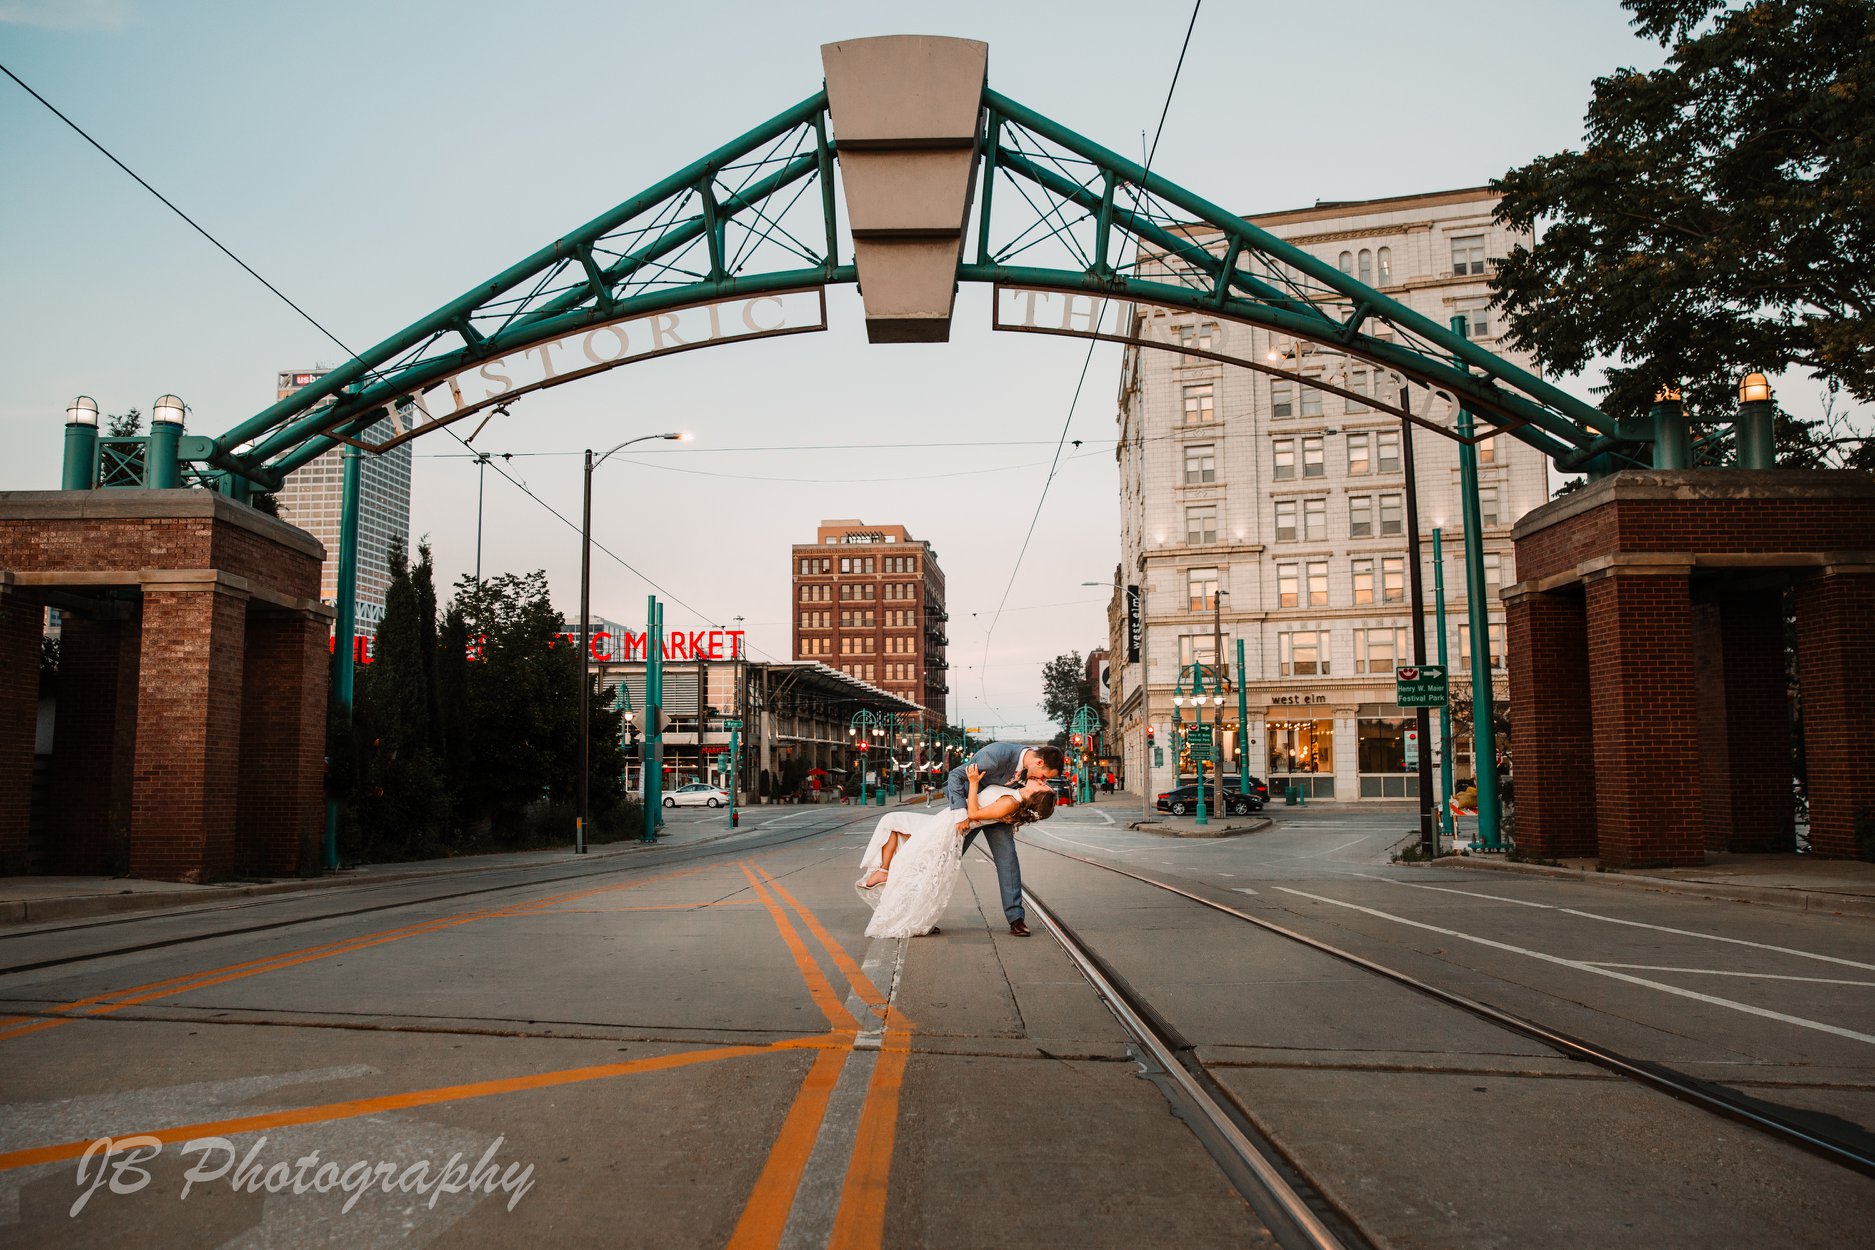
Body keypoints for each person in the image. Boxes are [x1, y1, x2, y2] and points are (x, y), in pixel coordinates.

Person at [856, 765, 1056, 938]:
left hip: (948, 826)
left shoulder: (1011, 802)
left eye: (1041, 785)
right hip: (944, 821)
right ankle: (886, 874)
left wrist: (973, 781)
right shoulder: (1014, 796)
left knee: (896, 830)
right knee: (902, 840)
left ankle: (886, 874)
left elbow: (973, 813)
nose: (1040, 780)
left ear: (1034, 795)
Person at [943, 740, 1064, 937]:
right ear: (1039, 763)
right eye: (1043, 777)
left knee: (1008, 861)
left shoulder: (1030, 769)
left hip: (997, 815)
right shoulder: (997, 755)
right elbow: (955, 776)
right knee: (947, 859)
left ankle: (1016, 919)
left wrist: (1013, 817)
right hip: (969, 810)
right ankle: (924, 912)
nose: (1042, 782)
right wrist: (960, 814)